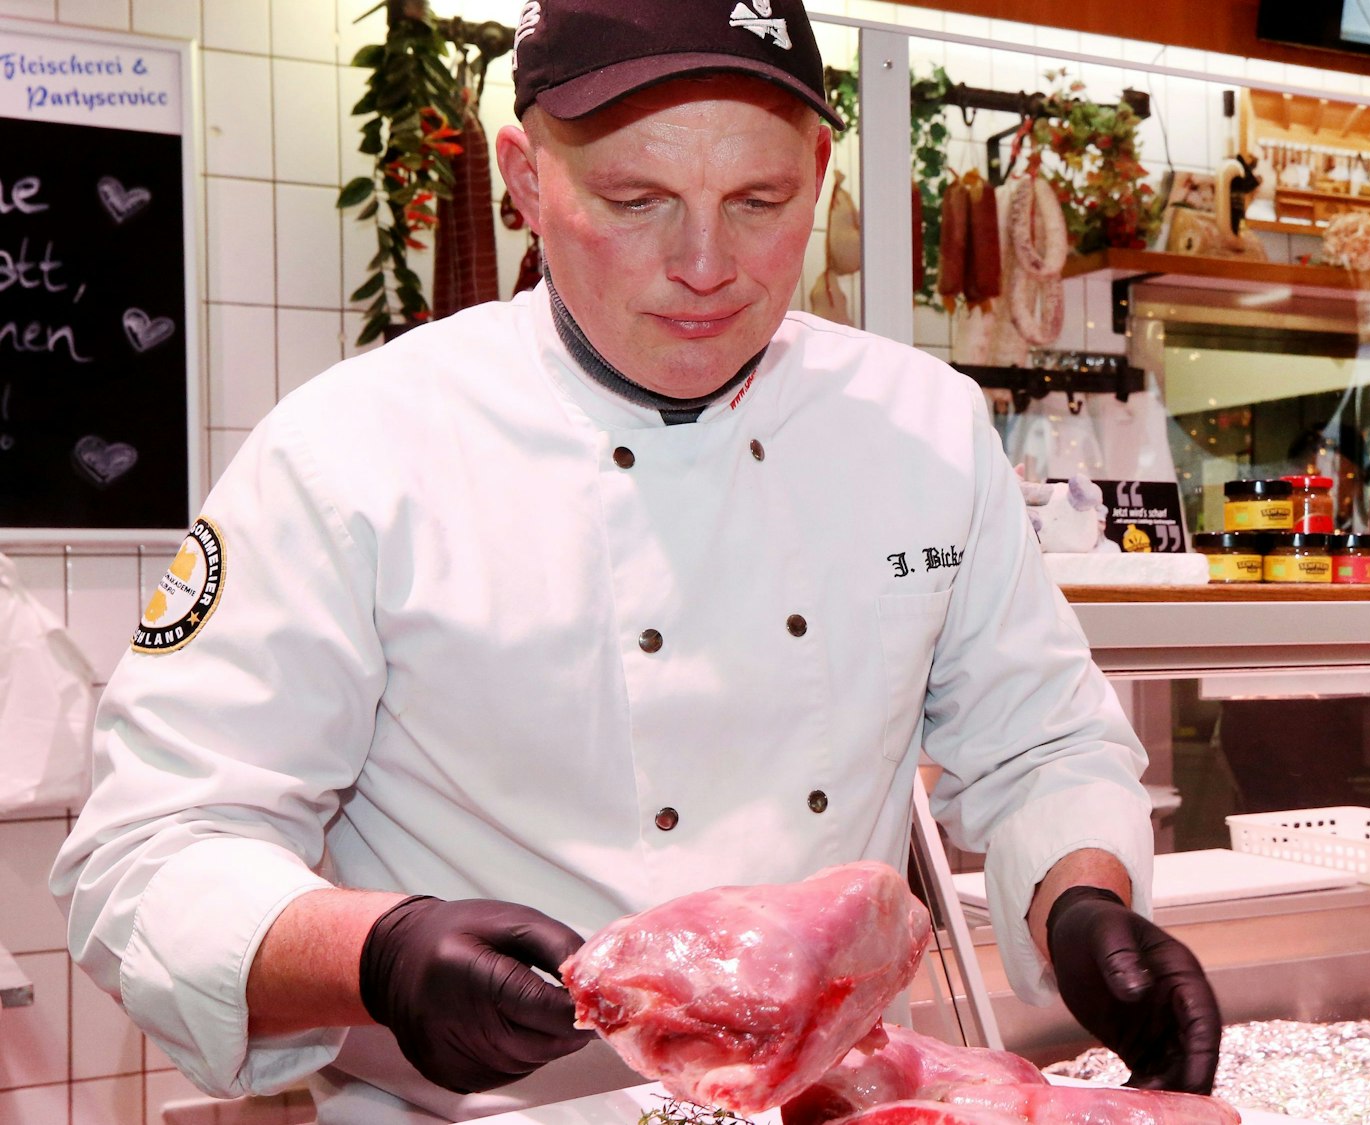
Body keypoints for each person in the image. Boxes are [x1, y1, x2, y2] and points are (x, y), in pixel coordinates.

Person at [49, 0, 1221, 1121]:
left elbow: (1038, 743)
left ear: (820, 172)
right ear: (525, 180)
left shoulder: (922, 426)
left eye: (759, 200)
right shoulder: (349, 452)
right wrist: (378, 955)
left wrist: (1079, 900)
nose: (705, 265)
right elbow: (148, 857)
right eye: (635, 200)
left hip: (826, 1110)